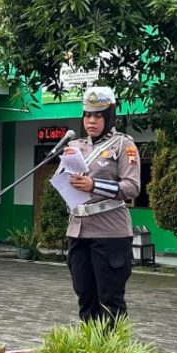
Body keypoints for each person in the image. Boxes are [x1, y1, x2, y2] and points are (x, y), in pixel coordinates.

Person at [62, 86, 141, 323]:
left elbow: (132, 187)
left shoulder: (122, 145)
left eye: (98, 115)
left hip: (110, 232)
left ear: (109, 117)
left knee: (110, 301)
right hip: (78, 229)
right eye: (87, 115)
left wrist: (93, 185)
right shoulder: (75, 147)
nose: (91, 121)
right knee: (85, 297)